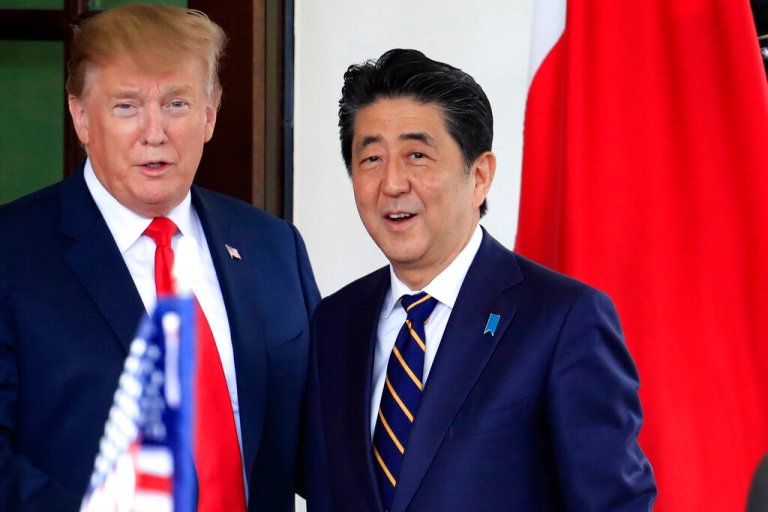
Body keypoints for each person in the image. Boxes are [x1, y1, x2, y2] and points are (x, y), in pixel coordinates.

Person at [305, 49, 656, 511]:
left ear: (480, 176)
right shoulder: (336, 320)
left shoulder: (564, 320)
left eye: (417, 155)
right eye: (371, 158)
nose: (392, 183)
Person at [0, 5, 319, 511]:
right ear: (81, 116)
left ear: (210, 114)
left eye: (177, 104)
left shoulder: (273, 247)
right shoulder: (11, 254)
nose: (155, 132)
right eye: (127, 106)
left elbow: (322, 445)